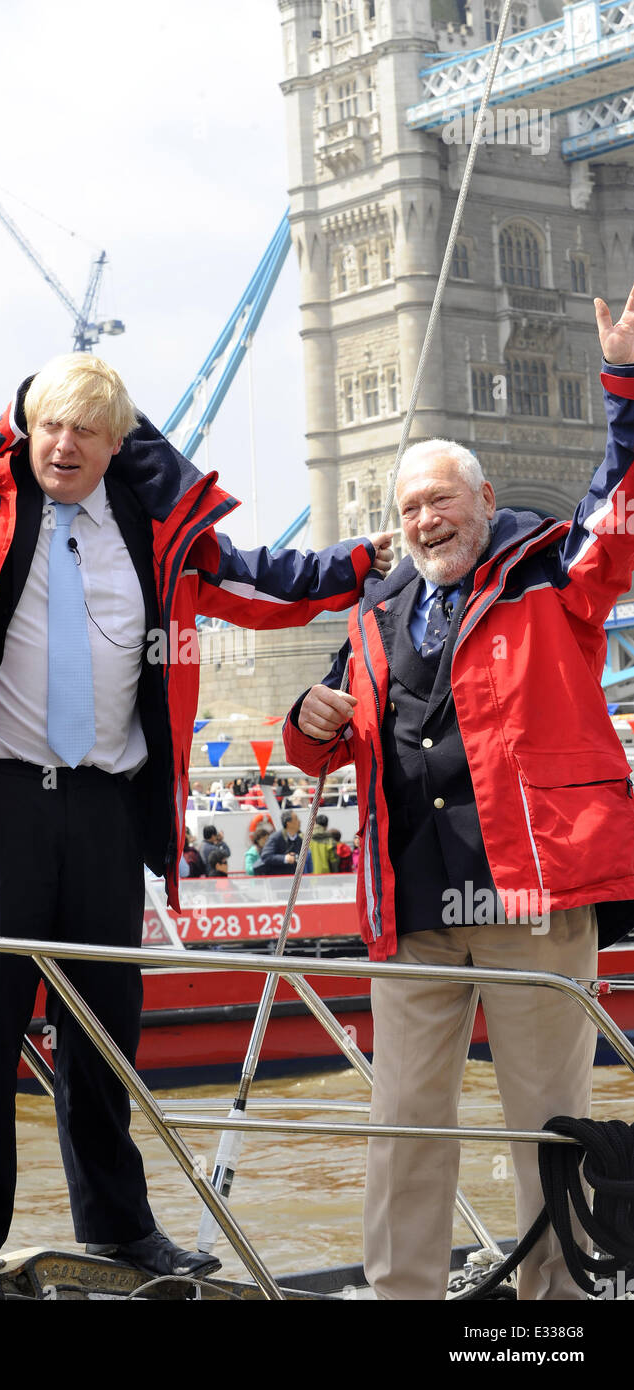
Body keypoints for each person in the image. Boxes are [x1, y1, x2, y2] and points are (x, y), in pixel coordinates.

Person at [0, 224, 393, 1301]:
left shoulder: (155, 535)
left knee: (105, 1029)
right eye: (50, 424)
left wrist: (366, 563)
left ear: (117, 445)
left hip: (107, 806)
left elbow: (261, 581)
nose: (65, 443)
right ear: (26, 427)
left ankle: (118, 1228)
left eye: (88, 431)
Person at [282, 283, 634, 1300]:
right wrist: (307, 724)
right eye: (408, 508)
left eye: (442, 499)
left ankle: (555, 1309)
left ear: (484, 501)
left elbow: (617, 511)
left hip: (528, 891)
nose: (426, 519)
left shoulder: (551, 575)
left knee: (547, 1116)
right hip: (415, 898)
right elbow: (327, 739)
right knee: (404, 1119)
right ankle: (401, 1295)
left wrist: (623, 386)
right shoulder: (375, 609)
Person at [259, 809, 311, 876]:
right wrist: (285, 858)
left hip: (293, 880)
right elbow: (266, 856)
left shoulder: (299, 840)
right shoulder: (276, 838)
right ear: (288, 823)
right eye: (296, 819)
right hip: (277, 881)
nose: (299, 821)